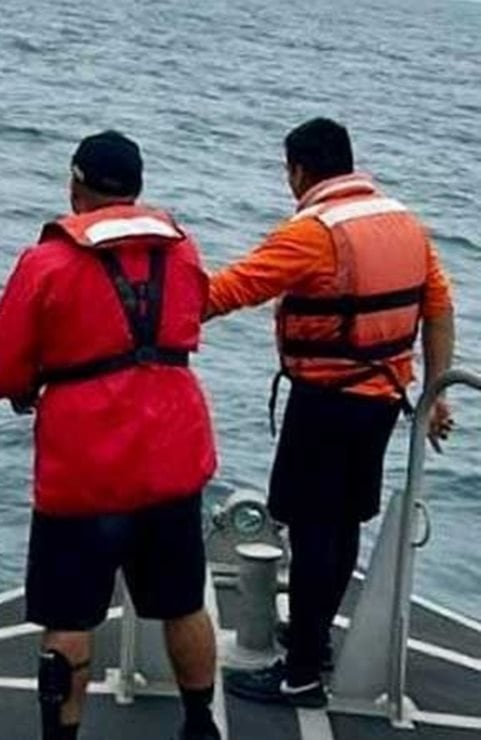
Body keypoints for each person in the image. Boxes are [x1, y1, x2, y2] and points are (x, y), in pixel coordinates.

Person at [0, 131, 221, 740]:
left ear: (75, 185)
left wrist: (34, 381)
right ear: (137, 191)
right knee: (184, 601)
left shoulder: (48, 262)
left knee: (69, 616)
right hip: (171, 454)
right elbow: (192, 317)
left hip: (85, 468)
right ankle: (199, 726)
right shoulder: (183, 251)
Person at [207, 117, 456, 707]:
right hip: (382, 404)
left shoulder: (313, 233)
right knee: (342, 527)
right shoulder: (404, 222)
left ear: (298, 170)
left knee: (314, 529)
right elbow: (439, 306)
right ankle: (312, 642)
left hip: (325, 402)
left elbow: (228, 290)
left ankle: (299, 676)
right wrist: (436, 393)